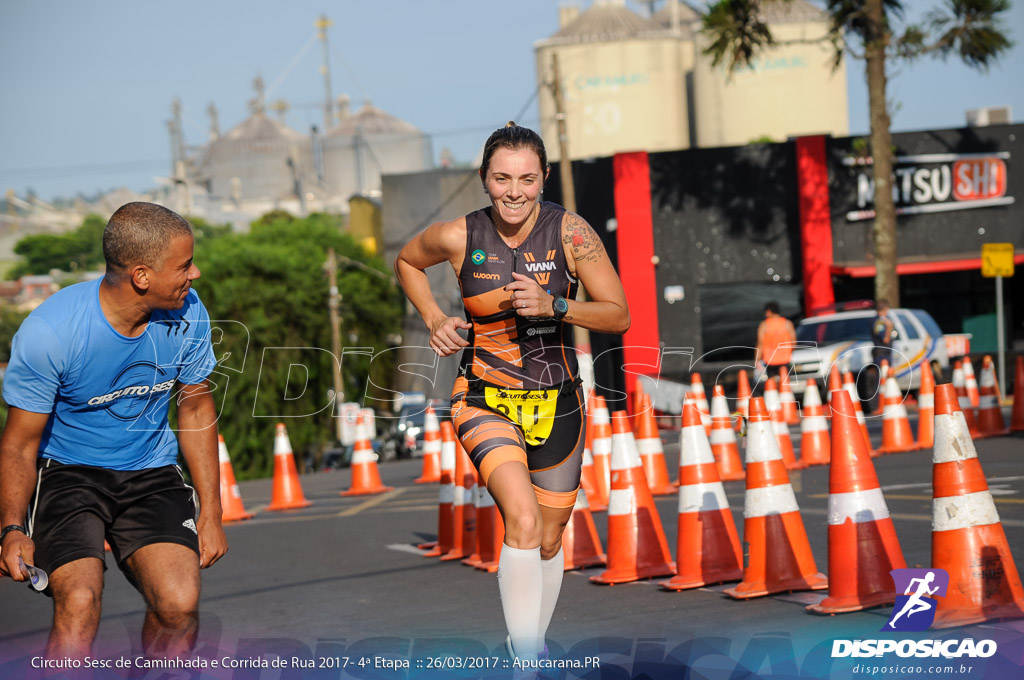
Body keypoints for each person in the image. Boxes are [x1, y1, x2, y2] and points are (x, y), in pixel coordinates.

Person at [395, 122, 629, 661]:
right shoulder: (459, 236)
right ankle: (525, 665)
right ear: (484, 178)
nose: (515, 191)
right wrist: (433, 317)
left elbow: (619, 316)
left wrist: (558, 306)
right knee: (520, 520)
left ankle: (531, 644)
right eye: (502, 178)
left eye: (526, 178)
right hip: (483, 396)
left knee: (548, 538)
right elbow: (407, 261)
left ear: (544, 177)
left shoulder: (571, 234)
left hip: (558, 399)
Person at [0, 202, 227, 660]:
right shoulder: (52, 333)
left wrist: (212, 511)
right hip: (68, 473)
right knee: (79, 602)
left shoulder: (188, 311)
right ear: (141, 275)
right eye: (184, 265)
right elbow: (19, 444)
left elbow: (196, 403)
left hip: (150, 469)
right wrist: (9, 528)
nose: (195, 274)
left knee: (178, 605)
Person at [755, 301, 796, 382]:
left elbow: (760, 344)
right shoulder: (787, 323)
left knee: (772, 384)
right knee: (785, 382)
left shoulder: (764, 325)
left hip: (770, 360)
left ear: (769, 311)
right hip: (785, 359)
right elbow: (793, 342)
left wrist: (757, 359)